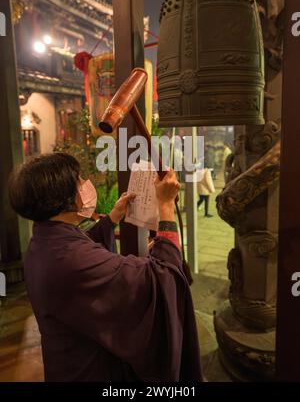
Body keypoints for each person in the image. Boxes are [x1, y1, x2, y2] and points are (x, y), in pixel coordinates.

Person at [9, 153, 202, 382]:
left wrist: (112, 218)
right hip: (88, 370)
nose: (85, 184)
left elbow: (82, 244)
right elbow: (161, 278)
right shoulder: (73, 259)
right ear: (63, 197)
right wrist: (166, 205)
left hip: (64, 361)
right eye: (79, 180)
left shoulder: (44, 238)